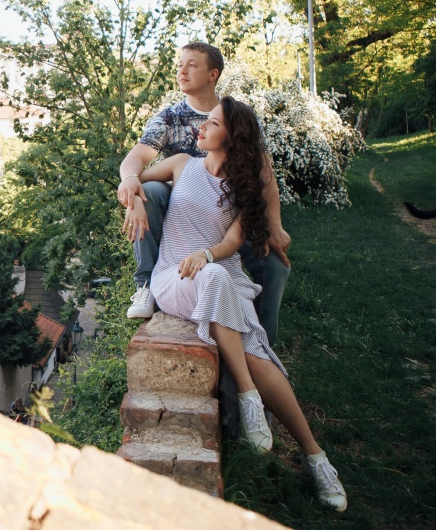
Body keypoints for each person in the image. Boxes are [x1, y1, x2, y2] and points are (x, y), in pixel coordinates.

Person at [125, 96, 346, 512]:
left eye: (212, 123)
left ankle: (316, 457)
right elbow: (135, 177)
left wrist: (207, 254)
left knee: (257, 351)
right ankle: (247, 396)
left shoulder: (244, 189)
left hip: (220, 272)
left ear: (232, 137)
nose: (201, 128)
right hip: (174, 276)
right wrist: (134, 197)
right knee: (220, 289)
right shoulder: (181, 164)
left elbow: (230, 243)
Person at [118, 42, 290, 345]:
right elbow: (135, 159)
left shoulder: (235, 115)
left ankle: (260, 344)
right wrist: (131, 187)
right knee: (151, 190)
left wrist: (274, 226)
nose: (181, 71)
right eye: (179, 65)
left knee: (275, 265)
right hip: (185, 215)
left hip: (231, 214)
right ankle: (146, 284)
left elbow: (265, 177)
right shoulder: (170, 117)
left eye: (192, 65)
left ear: (213, 75)